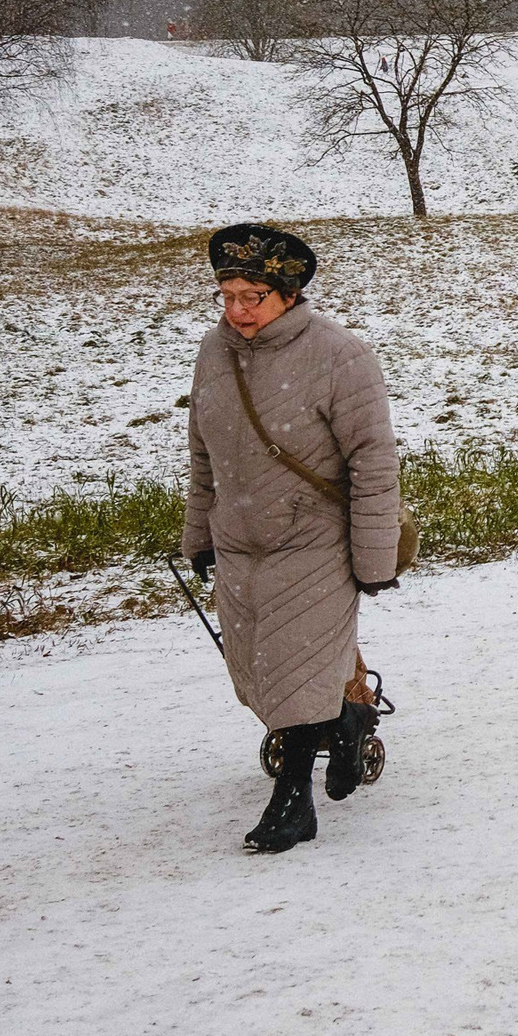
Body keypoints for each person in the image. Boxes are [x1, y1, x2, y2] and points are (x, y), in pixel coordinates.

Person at [182, 223, 402, 853]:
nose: (237, 310)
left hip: (314, 540)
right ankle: (350, 716)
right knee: (256, 669)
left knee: (297, 666)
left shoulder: (340, 355)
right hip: (240, 540)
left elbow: (373, 461)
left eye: (252, 296)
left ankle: (292, 802)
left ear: (287, 293)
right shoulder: (213, 352)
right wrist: (199, 533)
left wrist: (373, 556)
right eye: (227, 294)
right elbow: (204, 454)